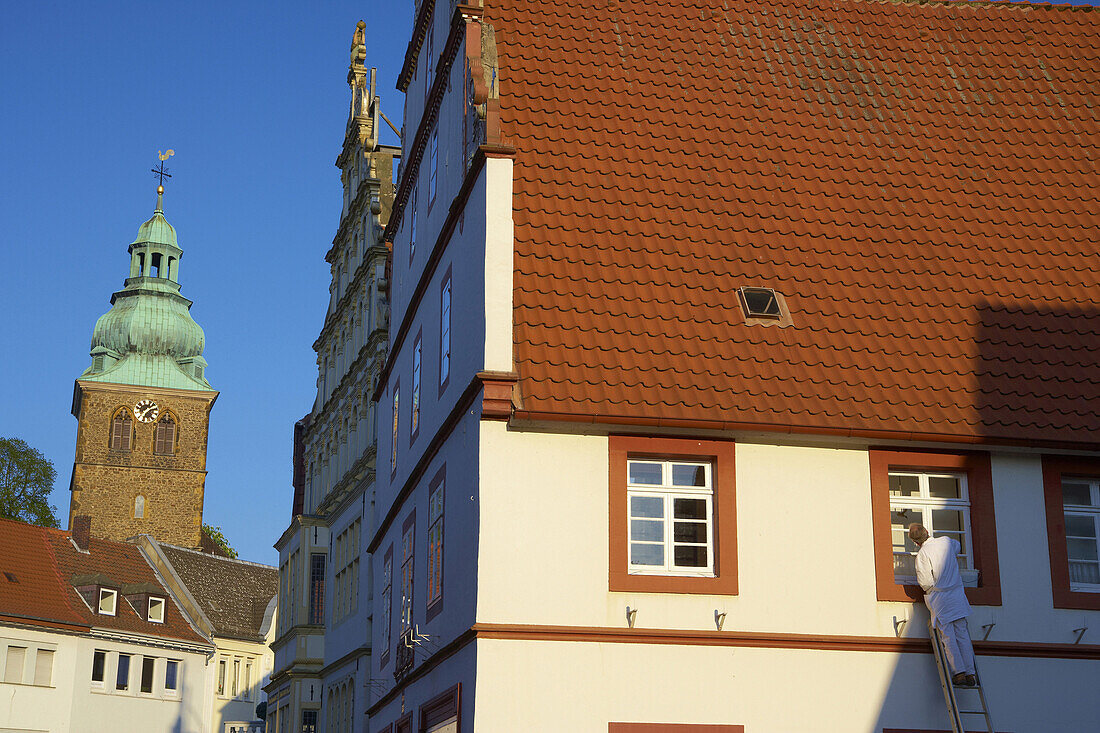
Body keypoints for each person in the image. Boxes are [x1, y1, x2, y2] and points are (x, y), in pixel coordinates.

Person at [908, 523, 977, 687]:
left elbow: (925, 582)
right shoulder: (946, 541)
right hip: (958, 596)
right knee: (963, 635)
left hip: (940, 598)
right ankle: (970, 673)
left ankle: (959, 672)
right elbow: (957, 547)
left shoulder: (923, 554)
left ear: (916, 542)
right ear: (926, 531)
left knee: (948, 637)